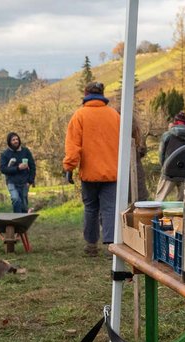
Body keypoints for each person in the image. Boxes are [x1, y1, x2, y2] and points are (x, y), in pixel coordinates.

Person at [63, 81, 120, 256]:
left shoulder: (79, 115)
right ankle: (112, 247)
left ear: (86, 93)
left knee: (91, 208)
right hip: (112, 173)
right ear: (102, 93)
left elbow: (73, 146)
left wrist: (69, 167)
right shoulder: (114, 115)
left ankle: (91, 246)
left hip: (89, 174)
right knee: (110, 209)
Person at [155, 111, 185, 201]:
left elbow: (161, 154)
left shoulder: (167, 135)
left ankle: (156, 216)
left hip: (169, 171)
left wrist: (164, 167)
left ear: (175, 122)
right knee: (183, 204)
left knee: (159, 201)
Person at [0, 132, 35, 213]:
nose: (16, 141)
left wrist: (30, 181)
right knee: (15, 199)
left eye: (17, 139)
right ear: (9, 142)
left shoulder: (25, 151)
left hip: (24, 182)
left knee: (23, 204)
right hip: (11, 182)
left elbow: (33, 166)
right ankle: (17, 220)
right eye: (13, 140)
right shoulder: (5, 154)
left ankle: (23, 223)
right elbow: (3, 169)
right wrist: (18, 168)